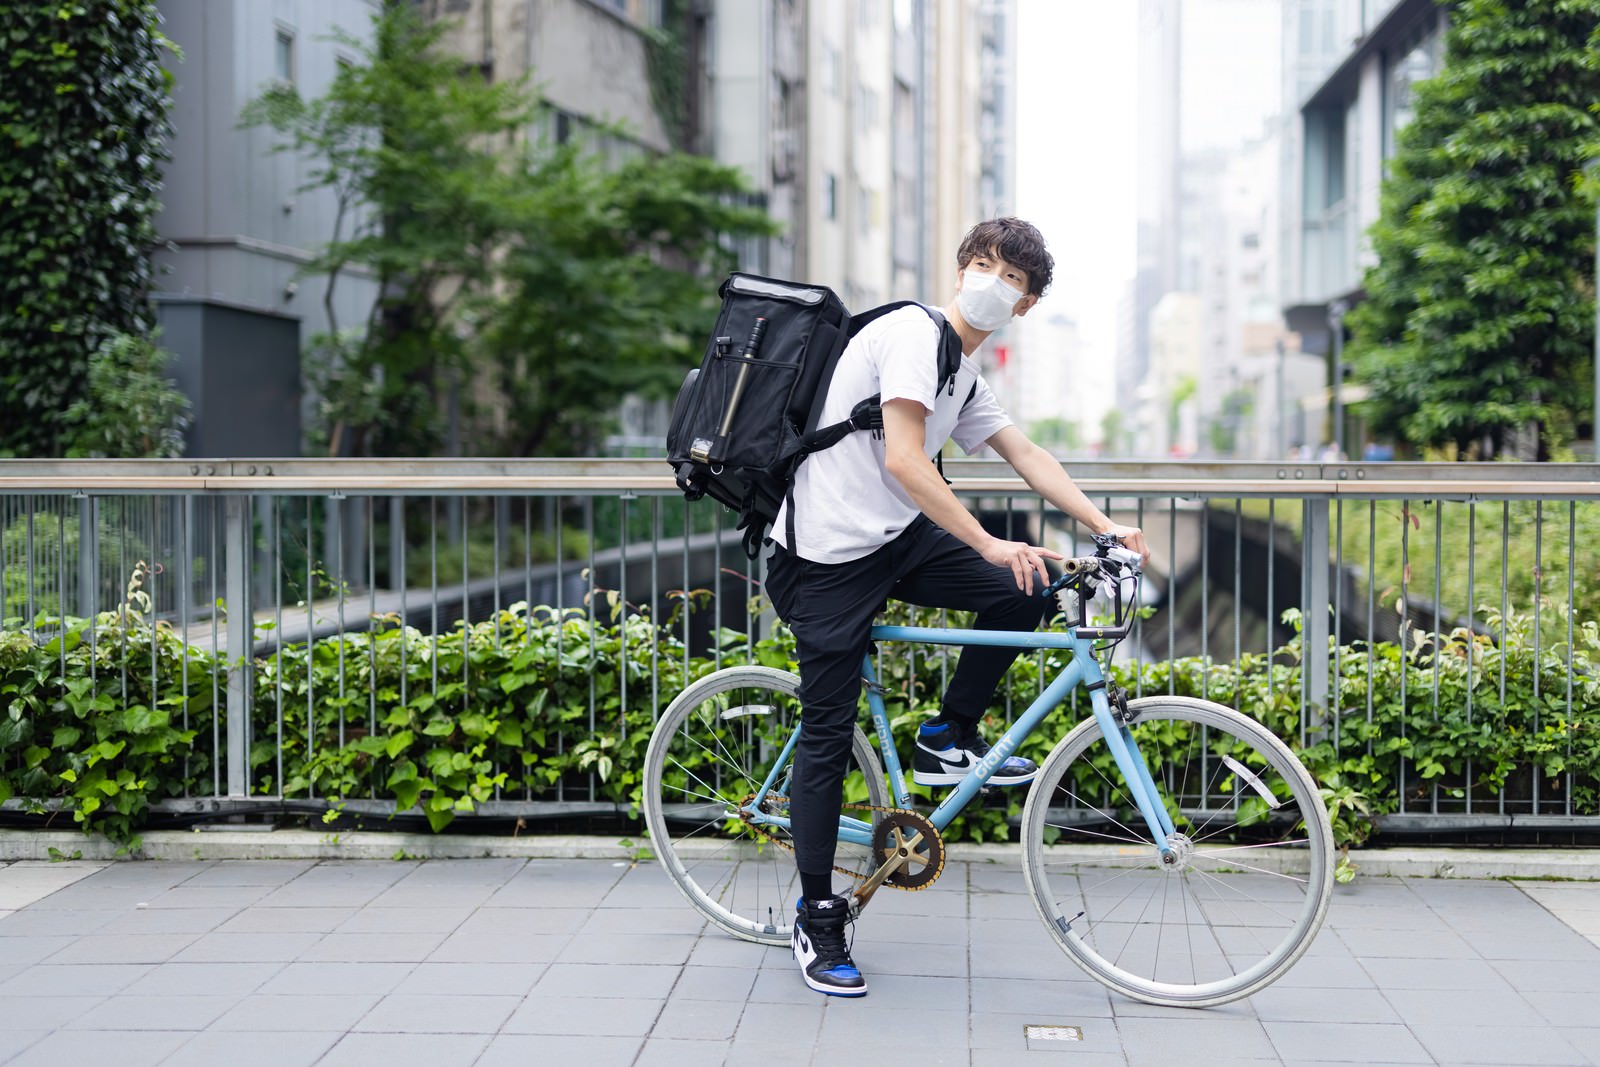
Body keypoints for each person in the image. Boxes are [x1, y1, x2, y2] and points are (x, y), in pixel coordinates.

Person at [763, 217, 1150, 997]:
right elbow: (906, 459)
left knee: (1033, 581)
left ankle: (949, 733)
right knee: (829, 732)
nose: (987, 281)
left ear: (1027, 304)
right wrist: (984, 540)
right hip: (825, 557)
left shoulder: (961, 374)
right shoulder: (912, 332)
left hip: (893, 539)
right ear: (959, 268)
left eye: (1008, 277)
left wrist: (1105, 527)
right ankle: (816, 913)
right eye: (979, 264)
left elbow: (1027, 454)